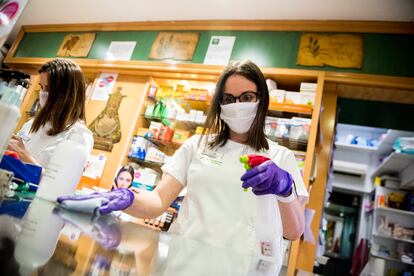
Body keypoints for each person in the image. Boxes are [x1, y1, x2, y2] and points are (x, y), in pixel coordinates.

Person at [57, 60, 308, 271]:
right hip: (185, 264)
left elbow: (294, 231)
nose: (237, 104)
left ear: (261, 100)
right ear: (219, 105)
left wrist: (285, 189)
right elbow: (157, 202)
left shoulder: (281, 156)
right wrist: (126, 197)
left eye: (247, 97)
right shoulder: (196, 145)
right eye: (228, 99)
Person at [7, 58, 93, 168]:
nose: (43, 94)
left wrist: (23, 154)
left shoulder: (79, 136)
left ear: (68, 93)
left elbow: (60, 182)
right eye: (42, 87)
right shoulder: (32, 124)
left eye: (49, 89)